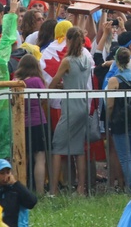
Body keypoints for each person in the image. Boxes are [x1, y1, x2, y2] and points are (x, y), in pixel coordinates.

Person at [48, 27, 93, 196]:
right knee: (78, 148)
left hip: (70, 106)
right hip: (83, 105)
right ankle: (81, 188)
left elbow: (54, 81)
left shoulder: (67, 60)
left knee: (58, 146)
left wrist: (54, 86)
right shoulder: (87, 59)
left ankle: (53, 190)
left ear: (68, 40)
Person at [106, 47, 131, 192]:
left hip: (120, 121)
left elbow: (110, 104)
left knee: (124, 158)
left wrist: (109, 119)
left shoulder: (114, 80)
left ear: (116, 61)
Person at [14, 54, 48, 195]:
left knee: (21, 158)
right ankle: (39, 191)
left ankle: (20, 190)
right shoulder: (36, 81)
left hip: (20, 124)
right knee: (39, 157)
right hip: (38, 121)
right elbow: (44, 97)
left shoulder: (15, 82)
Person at [0, 158, 37, 227]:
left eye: (8, 172)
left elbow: (32, 202)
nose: (6, 176)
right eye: (2, 173)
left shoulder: (17, 192)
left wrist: (15, 183)